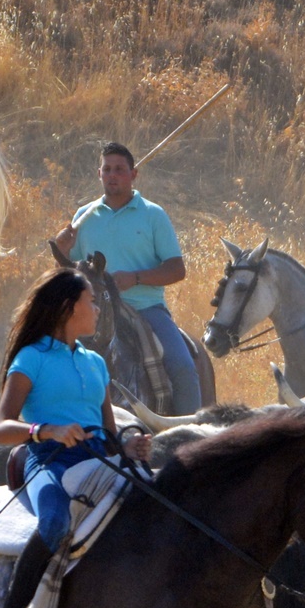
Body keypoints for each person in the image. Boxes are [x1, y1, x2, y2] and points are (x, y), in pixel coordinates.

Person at [0, 268, 151, 608]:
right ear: (68, 307)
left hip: (99, 459)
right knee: (54, 524)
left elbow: (108, 433)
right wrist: (47, 430)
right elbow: (0, 429)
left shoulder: (96, 363)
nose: (98, 308)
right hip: (48, 460)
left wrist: (128, 448)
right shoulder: (31, 358)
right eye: (91, 301)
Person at [53, 142, 202, 415]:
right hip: (94, 310)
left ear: (134, 174)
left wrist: (135, 278)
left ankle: (189, 430)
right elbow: (68, 273)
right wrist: (61, 251)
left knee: (182, 366)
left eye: (120, 169)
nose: (112, 175)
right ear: (99, 174)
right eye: (107, 169)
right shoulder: (83, 217)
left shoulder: (153, 214)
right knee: (52, 358)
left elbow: (177, 269)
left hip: (146, 309)